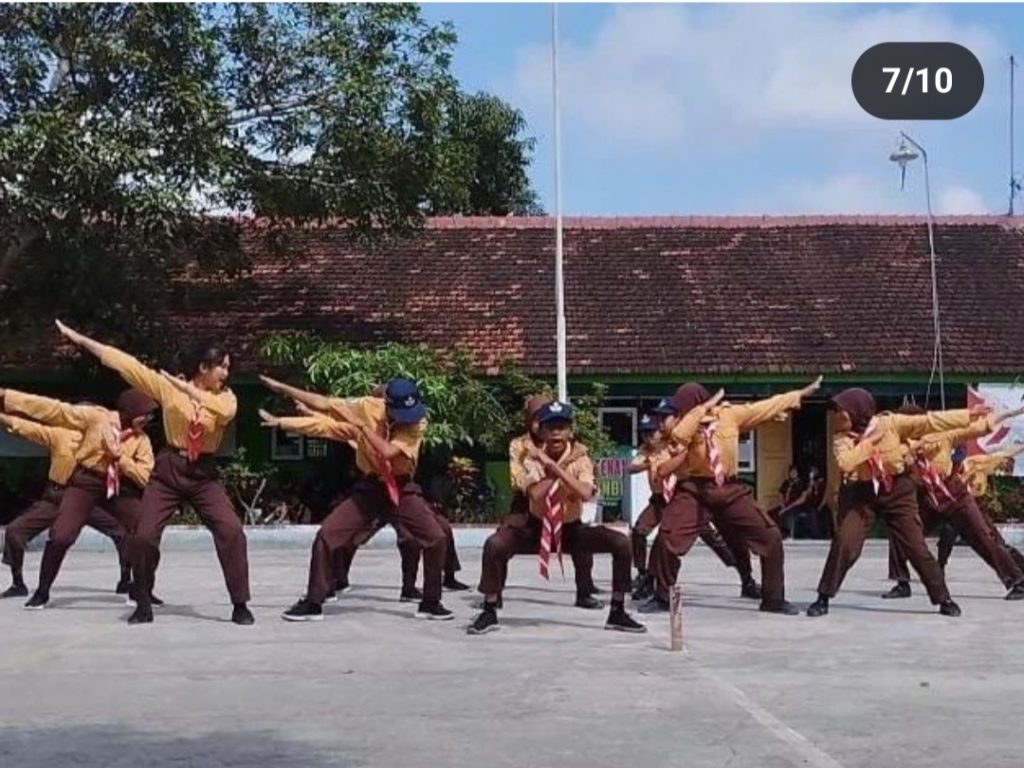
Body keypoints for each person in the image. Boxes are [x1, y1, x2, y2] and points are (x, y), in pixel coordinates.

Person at [55, 320, 253, 626]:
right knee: (144, 536)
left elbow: (225, 413)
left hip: (203, 471)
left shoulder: (225, 397)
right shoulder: (167, 389)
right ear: (204, 367)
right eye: (221, 367)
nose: (226, 373)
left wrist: (187, 389)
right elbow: (127, 365)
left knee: (232, 531)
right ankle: (143, 601)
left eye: (228, 368)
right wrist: (80, 339)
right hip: (170, 468)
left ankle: (240, 603)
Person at [259, 375, 454, 622]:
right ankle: (313, 602)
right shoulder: (366, 407)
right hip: (371, 488)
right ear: (386, 404)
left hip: (401, 489)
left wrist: (361, 427)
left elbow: (388, 451)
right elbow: (324, 406)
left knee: (436, 538)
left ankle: (431, 602)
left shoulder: (417, 422)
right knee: (327, 535)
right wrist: (283, 388)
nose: (406, 419)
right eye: (400, 414)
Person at [641, 378, 822, 616]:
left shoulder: (729, 416)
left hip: (729, 488)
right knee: (668, 538)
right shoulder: (684, 426)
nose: (679, 412)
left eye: (682, 407)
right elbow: (678, 437)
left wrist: (800, 393)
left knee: (770, 537)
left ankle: (773, 598)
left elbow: (765, 407)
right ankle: (662, 596)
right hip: (695, 489)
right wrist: (701, 410)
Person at [468, 401, 646, 635]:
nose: (556, 434)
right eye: (550, 428)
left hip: (570, 529)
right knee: (495, 544)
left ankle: (617, 611)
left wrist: (554, 467)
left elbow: (585, 493)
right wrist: (556, 471)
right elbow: (534, 493)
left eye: (561, 427)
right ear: (541, 432)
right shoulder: (531, 457)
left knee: (621, 543)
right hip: (536, 528)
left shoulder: (581, 458)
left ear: (570, 431)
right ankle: (489, 609)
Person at [807, 388, 974, 618]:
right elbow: (846, 463)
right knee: (845, 542)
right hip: (863, 494)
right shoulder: (841, 438)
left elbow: (930, 421)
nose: (837, 416)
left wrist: (969, 415)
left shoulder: (889, 423)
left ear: (857, 411)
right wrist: (870, 444)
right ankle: (823, 597)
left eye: (841, 411)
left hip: (898, 490)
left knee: (916, 547)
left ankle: (943, 598)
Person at [0, 388, 156, 610]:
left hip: (116, 487)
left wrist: (119, 458)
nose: (148, 420)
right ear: (130, 411)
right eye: (145, 414)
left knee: (144, 529)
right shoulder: (97, 419)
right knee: (61, 536)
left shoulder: (141, 441)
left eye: (151, 415)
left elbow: (145, 477)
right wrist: (7, 397)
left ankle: (139, 588)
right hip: (85, 483)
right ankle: (42, 591)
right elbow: (53, 409)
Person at [884, 403, 1024, 601]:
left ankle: (1017, 581)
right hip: (928, 500)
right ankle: (901, 582)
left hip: (955, 497)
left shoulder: (943, 436)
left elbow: (978, 427)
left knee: (984, 538)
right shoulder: (899, 447)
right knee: (901, 533)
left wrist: (1011, 412)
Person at [630, 404, 760, 601]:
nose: (648, 438)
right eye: (643, 434)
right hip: (662, 501)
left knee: (721, 540)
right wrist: (648, 464)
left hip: (690, 498)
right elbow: (631, 467)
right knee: (654, 537)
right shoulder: (647, 451)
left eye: (651, 432)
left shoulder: (680, 441)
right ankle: (646, 578)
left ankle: (746, 578)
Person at [937, 444, 1024, 576]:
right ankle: (940, 567)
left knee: (996, 542)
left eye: (957, 464)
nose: (955, 466)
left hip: (976, 506)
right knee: (947, 535)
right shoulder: (945, 468)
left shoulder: (977, 462)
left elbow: (1006, 453)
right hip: (956, 508)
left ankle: (1019, 567)